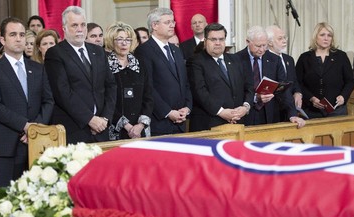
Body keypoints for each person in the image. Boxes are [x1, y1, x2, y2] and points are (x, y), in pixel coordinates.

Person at [0, 17, 54, 217]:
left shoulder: (38, 68)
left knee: (31, 198)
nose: (18, 38)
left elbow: (48, 101)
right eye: (12, 35)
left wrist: (34, 128)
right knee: (8, 200)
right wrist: (25, 126)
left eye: (21, 34)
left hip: (35, 145)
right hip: (8, 144)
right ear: (2, 39)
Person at [45, 6, 117, 144]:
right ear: (64, 28)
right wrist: (90, 119)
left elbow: (110, 86)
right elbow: (63, 92)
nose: (80, 29)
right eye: (74, 25)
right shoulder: (55, 53)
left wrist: (105, 119)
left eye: (83, 25)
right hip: (75, 129)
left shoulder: (98, 51)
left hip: (102, 129)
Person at [134, 7, 192, 136]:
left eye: (173, 22)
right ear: (154, 25)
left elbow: (184, 82)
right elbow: (147, 87)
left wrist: (187, 108)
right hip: (159, 121)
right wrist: (167, 112)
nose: (172, 25)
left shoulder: (176, 50)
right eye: (167, 22)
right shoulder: (144, 50)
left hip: (181, 120)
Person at [186, 23, 253, 131]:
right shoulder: (195, 61)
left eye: (221, 39)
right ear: (205, 40)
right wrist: (221, 112)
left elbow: (249, 87)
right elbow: (199, 92)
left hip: (238, 122)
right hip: (209, 124)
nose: (218, 43)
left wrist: (245, 107)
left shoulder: (235, 60)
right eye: (213, 39)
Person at [236, 25, 305, 128]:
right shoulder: (236, 59)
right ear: (247, 41)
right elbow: (236, 90)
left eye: (265, 45)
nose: (262, 50)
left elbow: (283, 89)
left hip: (270, 113)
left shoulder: (274, 60)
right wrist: (255, 98)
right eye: (258, 46)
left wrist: (292, 114)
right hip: (246, 114)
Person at [104, 22, 153, 140]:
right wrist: (126, 125)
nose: (124, 43)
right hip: (116, 128)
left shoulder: (140, 64)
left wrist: (140, 125)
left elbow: (149, 96)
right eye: (119, 39)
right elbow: (105, 99)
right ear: (111, 41)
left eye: (128, 39)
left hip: (140, 129)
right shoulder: (105, 65)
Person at [296, 22, 354, 118]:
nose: (326, 38)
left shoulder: (341, 56)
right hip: (311, 111)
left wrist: (343, 96)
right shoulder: (305, 58)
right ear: (316, 37)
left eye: (329, 35)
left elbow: (350, 81)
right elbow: (298, 83)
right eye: (322, 35)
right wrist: (311, 98)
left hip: (337, 110)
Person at [265, 25, 304, 116]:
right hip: (272, 108)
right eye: (280, 38)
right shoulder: (263, 58)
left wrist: (298, 93)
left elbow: (294, 80)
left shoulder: (289, 59)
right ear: (270, 42)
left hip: (289, 107)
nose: (284, 41)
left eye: (284, 37)